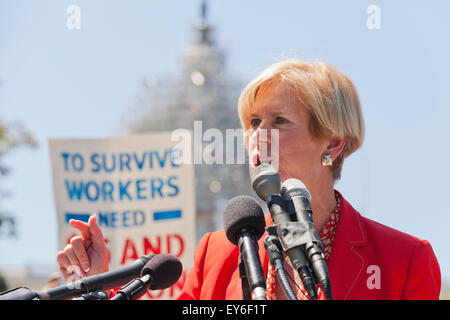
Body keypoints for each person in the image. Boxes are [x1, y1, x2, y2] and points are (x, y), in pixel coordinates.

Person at [56, 59, 441, 300]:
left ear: (334, 144)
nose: (259, 136)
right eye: (254, 123)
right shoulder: (216, 254)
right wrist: (98, 284)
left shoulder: (404, 261)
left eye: (280, 122)